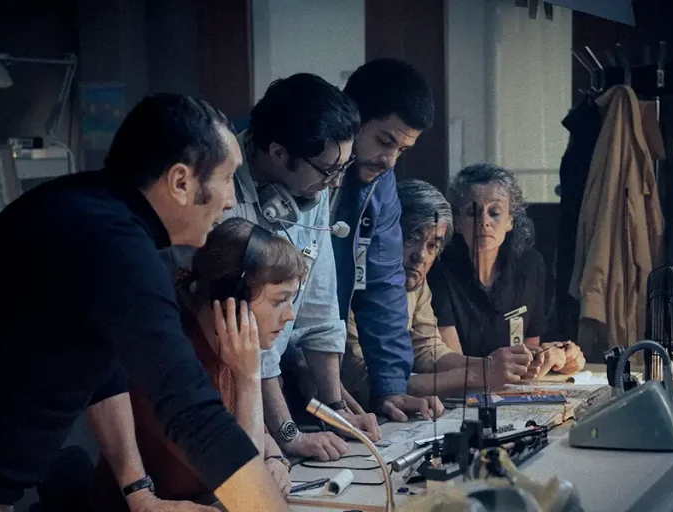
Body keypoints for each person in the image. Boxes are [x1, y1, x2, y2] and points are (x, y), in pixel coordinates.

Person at [0, 94, 287, 512]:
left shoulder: (93, 211)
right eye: (227, 179)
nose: (231, 201)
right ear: (180, 181)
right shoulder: (113, 242)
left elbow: (104, 370)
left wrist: (139, 494)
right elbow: (190, 412)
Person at [162, 73, 379, 462]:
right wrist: (286, 432)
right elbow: (243, 330)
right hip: (222, 391)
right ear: (279, 153)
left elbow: (319, 309)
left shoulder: (312, 186)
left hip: (268, 396)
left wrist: (334, 409)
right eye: (328, 170)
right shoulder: (220, 202)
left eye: (342, 169)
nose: (333, 184)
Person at [93, 218, 302, 508]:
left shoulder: (226, 348)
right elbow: (246, 489)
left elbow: (256, 435)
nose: (290, 315)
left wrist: (276, 458)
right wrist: (250, 378)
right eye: (280, 300)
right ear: (234, 301)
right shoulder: (174, 367)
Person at [343, 180, 535, 402]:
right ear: (385, 236)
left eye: (432, 245)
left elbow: (429, 351)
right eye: (411, 239)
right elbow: (363, 380)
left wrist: (500, 366)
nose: (421, 256)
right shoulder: (353, 286)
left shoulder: (416, 283)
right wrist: (479, 374)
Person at [330, 58, 445, 421]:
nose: (391, 160)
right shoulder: (309, 171)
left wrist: (391, 388)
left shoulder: (382, 185)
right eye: (385, 141)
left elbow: (382, 285)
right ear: (352, 118)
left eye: (403, 150)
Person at [428, 164, 585, 378]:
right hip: (461, 391)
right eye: (472, 213)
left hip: (513, 390)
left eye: (495, 213)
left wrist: (556, 356)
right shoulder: (439, 270)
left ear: (510, 220)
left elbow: (530, 357)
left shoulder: (530, 266)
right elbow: (451, 363)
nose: (484, 222)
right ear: (457, 221)